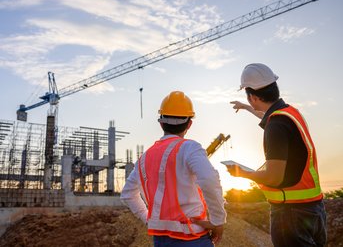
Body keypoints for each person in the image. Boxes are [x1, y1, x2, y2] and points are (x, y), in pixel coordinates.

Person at [228, 63, 327, 247]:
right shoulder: (289, 113)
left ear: (253, 97)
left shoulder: (276, 126)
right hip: (313, 209)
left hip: (291, 214)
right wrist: (246, 107)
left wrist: (241, 173)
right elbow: (266, 114)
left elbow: (274, 177)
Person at [120, 91, 226, 247]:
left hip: (161, 241)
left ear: (161, 123)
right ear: (189, 124)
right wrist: (218, 221)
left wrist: (149, 220)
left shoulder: (145, 157)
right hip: (193, 237)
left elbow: (128, 195)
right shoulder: (189, 148)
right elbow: (209, 180)